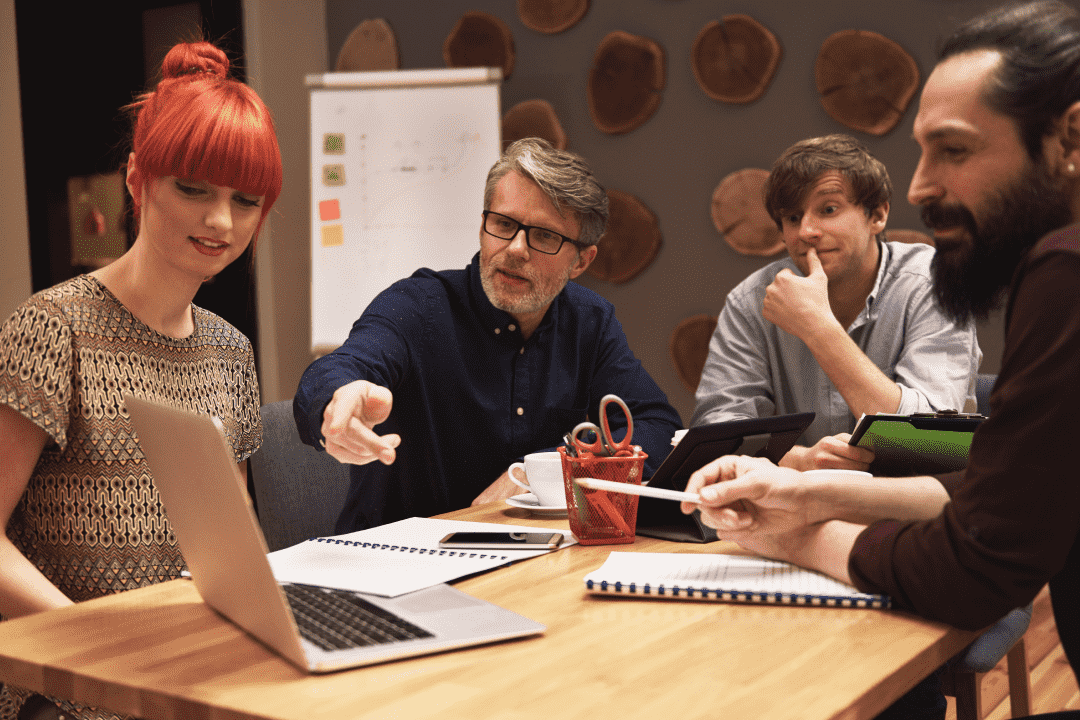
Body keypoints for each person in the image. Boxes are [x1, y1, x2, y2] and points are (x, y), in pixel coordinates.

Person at [682, 0, 1080, 713]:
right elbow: (998, 487)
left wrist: (795, 528)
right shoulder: (753, 298)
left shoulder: (1054, 271)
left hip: (869, 551)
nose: (925, 185)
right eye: (791, 217)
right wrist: (795, 483)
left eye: (953, 150)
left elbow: (941, 464)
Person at [0, 41, 282, 720]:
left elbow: (228, 541)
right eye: (194, 189)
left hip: (186, 671)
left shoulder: (229, 349)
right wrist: (100, 659)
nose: (221, 221)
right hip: (65, 685)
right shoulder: (52, 329)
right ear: (137, 179)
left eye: (246, 201)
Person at [293, 138, 682, 533]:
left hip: (529, 563)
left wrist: (542, 470)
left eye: (545, 236)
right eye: (504, 224)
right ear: (483, 225)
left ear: (582, 260)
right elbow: (344, 366)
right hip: (399, 562)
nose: (515, 249)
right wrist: (336, 399)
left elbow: (654, 422)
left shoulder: (590, 322)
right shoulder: (417, 305)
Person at [691, 134, 981, 472]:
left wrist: (817, 328)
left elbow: (929, 443)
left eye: (828, 209)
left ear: (878, 215)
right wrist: (801, 461)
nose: (807, 231)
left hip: (907, 510)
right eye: (792, 218)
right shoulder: (752, 300)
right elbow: (716, 435)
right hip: (791, 508)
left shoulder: (934, 284)